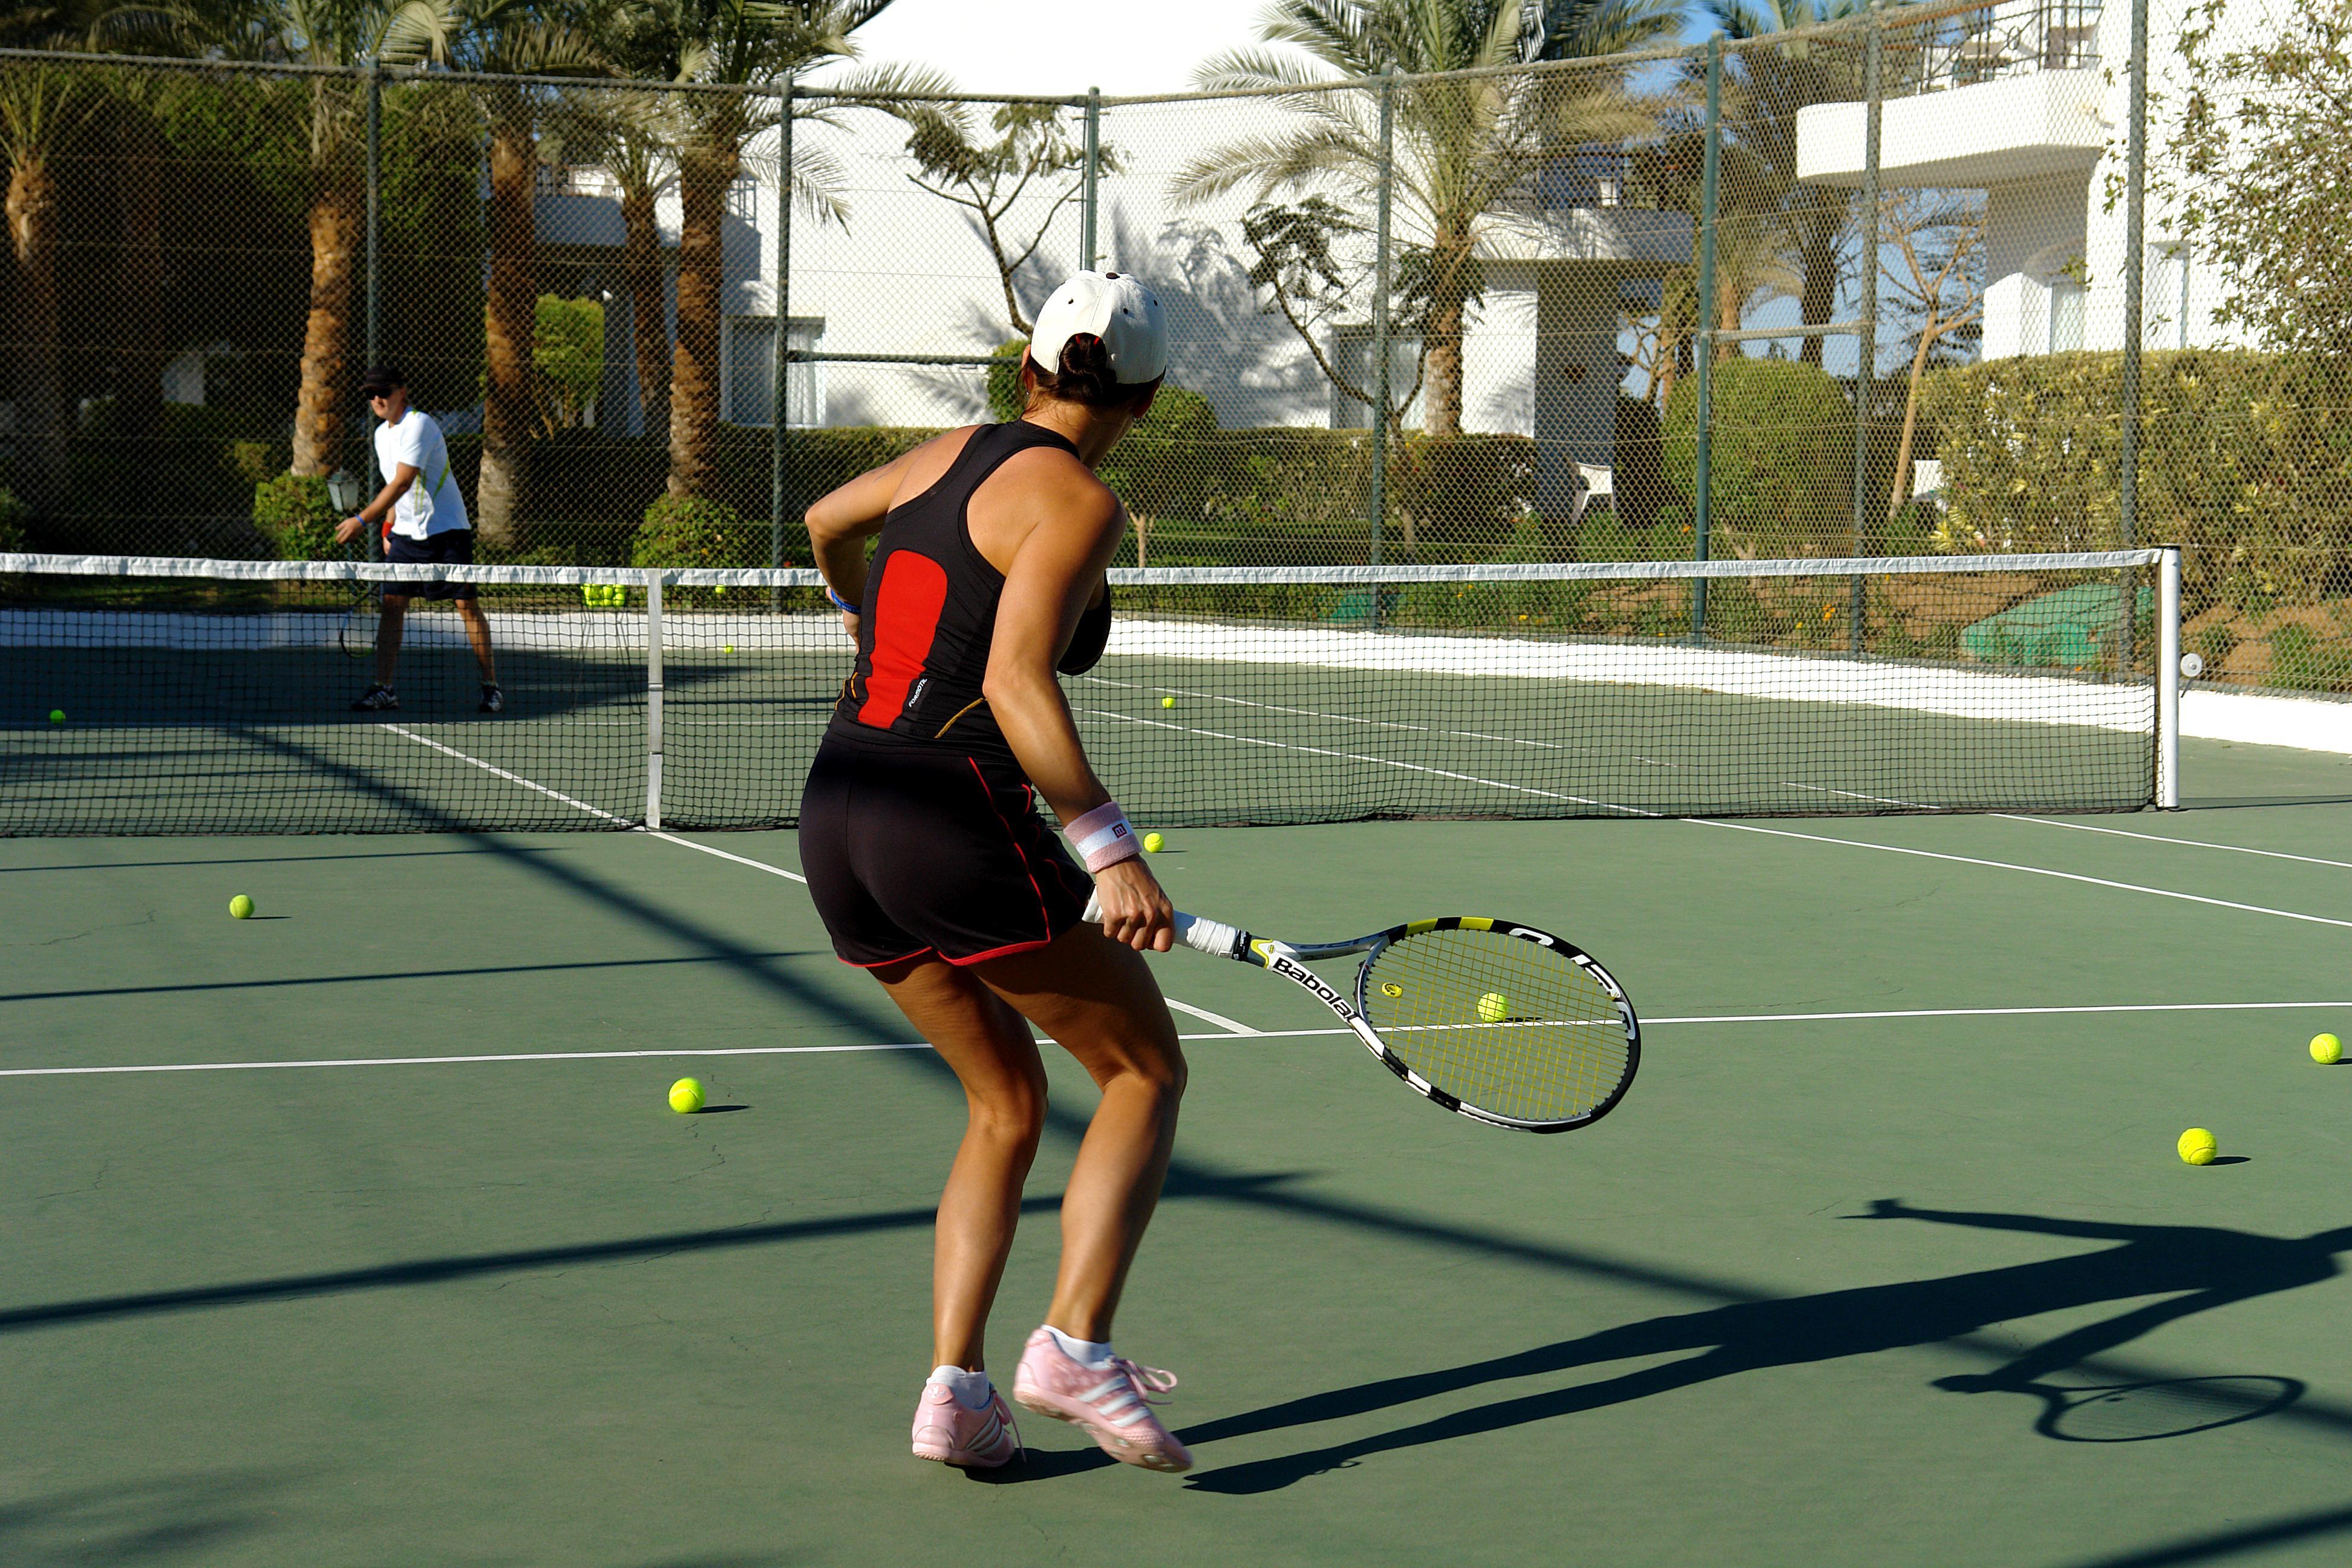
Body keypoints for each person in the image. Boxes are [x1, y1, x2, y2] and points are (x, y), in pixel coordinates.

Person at [799, 272, 1192, 1474]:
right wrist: (1108, 851)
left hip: (838, 810)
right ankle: (1074, 1344)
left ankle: (954, 1391)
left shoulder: (950, 452)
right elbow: (1020, 681)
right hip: (949, 816)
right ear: (1147, 397)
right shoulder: (1079, 501)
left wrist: (868, 627)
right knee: (1142, 1070)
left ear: (1026, 367)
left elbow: (824, 518)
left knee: (1005, 1100)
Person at [336, 365, 502, 714]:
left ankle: (491, 688)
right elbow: (396, 489)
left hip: (447, 533)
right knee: (392, 607)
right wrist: (389, 529)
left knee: (466, 607)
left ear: (402, 391)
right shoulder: (382, 435)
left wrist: (362, 520)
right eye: (370, 394)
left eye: (384, 391)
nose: (377, 399)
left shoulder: (420, 425)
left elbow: (403, 482)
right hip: (407, 538)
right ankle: (384, 689)